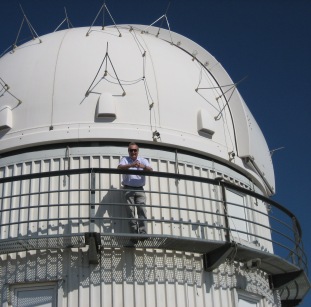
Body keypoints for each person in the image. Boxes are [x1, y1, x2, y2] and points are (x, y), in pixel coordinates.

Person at [118, 142, 153, 236]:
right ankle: (134, 234)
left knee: (142, 210)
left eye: (135, 150)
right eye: (131, 150)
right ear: (128, 151)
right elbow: (119, 167)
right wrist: (131, 165)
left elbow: (151, 170)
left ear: (138, 151)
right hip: (128, 189)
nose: (133, 152)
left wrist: (143, 166)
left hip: (140, 189)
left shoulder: (143, 160)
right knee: (130, 212)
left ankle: (143, 234)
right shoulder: (125, 159)